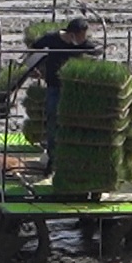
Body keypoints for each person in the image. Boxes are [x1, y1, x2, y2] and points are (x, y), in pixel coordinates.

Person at [29, 17, 100, 170]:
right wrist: (36, 68)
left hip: (72, 89)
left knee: (73, 121)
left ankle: (71, 157)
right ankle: (52, 157)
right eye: (81, 36)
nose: (83, 39)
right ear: (71, 34)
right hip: (54, 86)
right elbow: (34, 49)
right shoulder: (52, 39)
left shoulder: (82, 45)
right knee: (53, 118)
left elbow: (95, 51)